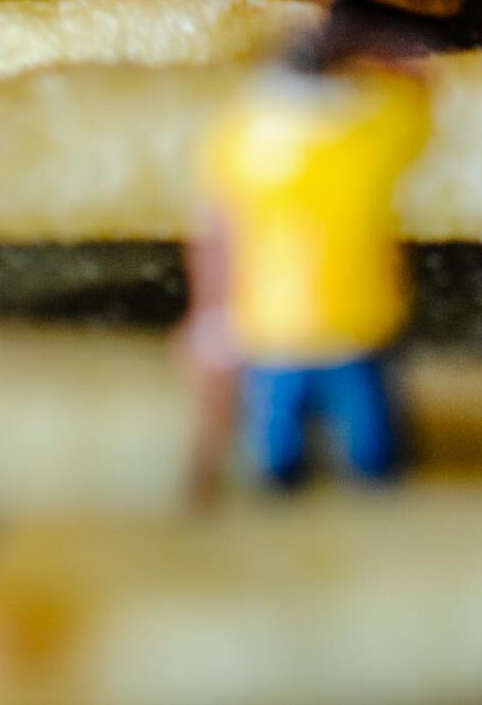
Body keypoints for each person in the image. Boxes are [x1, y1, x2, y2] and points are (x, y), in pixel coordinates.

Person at [185, 25, 432, 492]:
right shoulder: (372, 133)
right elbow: (420, 85)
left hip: (278, 326)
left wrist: (212, 310)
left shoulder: (244, 141)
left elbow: (217, 229)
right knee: (375, 459)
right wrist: (365, 46)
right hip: (353, 323)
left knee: (282, 462)